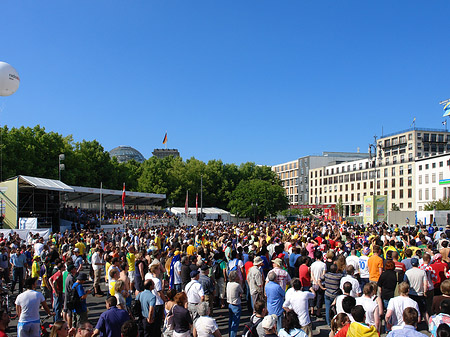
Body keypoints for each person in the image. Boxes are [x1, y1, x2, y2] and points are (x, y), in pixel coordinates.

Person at [404, 257, 428, 322]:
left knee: (411, 310)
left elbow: (405, 282)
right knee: (424, 310)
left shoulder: (407, 272)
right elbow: (425, 283)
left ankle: (414, 323)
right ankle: (429, 325)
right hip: (420, 293)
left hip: (411, 293)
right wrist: (425, 292)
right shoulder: (422, 272)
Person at [227, 270, 243, 337]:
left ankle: (230, 334)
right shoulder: (237, 285)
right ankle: (233, 335)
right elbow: (241, 292)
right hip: (236, 304)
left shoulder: (228, 284)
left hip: (230, 303)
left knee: (230, 320)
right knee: (235, 322)